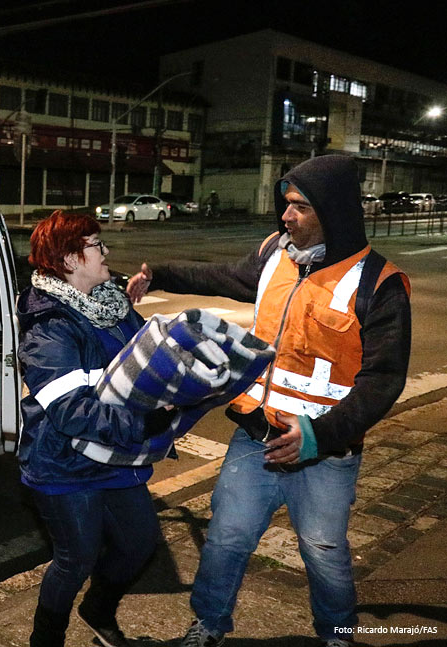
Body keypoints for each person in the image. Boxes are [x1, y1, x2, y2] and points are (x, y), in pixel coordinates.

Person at [126, 155, 411, 647]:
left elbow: (382, 381)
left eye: (299, 207)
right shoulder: (275, 258)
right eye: (286, 205)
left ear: (333, 212)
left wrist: (321, 435)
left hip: (326, 451)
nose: (286, 216)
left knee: (324, 550)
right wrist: (159, 275)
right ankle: (209, 625)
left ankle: (337, 634)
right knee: (226, 539)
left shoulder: (379, 285)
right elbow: (219, 277)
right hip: (255, 436)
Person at [17, 210, 174, 647]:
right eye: (95, 245)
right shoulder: (49, 325)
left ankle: (97, 611)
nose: (106, 252)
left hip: (115, 453)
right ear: (69, 260)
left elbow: (148, 355)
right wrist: (143, 421)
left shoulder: (111, 303)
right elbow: (70, 411)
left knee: (140, 544)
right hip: (65, 463)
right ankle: (45, 640)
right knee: (75, 558)